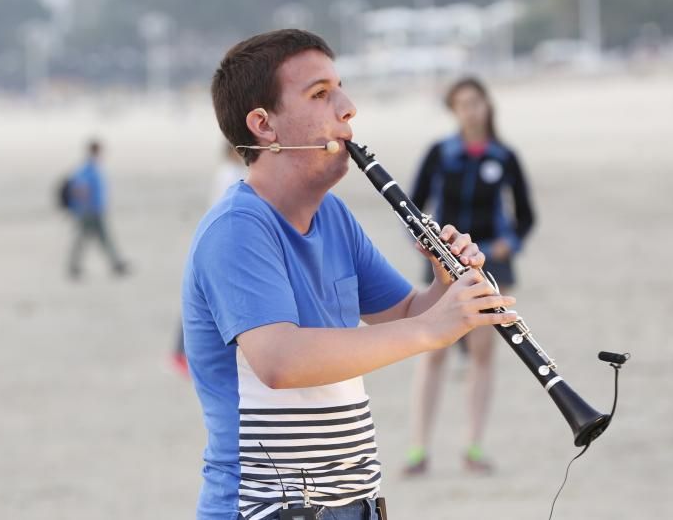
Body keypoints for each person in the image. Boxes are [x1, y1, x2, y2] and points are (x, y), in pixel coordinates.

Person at [181, 30, 518, 520]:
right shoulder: (237, 228)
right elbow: (280, 361)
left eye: (340, 88)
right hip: (265, 507)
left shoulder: (332, 216)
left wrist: (447, 287)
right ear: (264, 125)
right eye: (320, 94)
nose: (348, 108)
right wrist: (430, 328)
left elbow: (402, 313)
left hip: (352, 503)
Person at [401, 76, 536, 477]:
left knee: (482, 354)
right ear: (453, 110)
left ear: (487, 105)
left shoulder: (504, 156)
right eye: (461, 104)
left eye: (476, 102)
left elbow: (525, 215)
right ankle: (418, 449)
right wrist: (424, 245)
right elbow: (411, 205)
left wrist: (505, 245)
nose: (470, 110)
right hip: (444, 264)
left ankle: (473, 446)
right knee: (433, 352)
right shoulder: (440, 154)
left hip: (492, 264)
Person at [171, 145, 246, 378]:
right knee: (204, 302)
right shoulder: (229, 174)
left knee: (209, 302)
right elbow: (226, 210)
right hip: (222, 244)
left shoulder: (231, 172)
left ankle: (187, 355)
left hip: (221, 242)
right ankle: (181, 354)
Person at [66, 139, 129, 280]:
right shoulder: (87, 169)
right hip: (89, 211)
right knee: (90, 239)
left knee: (93, 239)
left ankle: (114, 264)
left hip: (95, 210)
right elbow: (79, 189)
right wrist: (85, 206)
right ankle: (114, 264)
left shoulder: (92, 168)